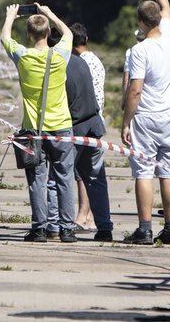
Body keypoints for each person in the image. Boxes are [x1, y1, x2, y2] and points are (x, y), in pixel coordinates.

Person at [1, 3, 77, 243]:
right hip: (62, 126)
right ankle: (66, 228)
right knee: (64, 178)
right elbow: (69, 33)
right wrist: (50, 13)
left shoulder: (23, 56)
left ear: (28, 35)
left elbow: (4, 38)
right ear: (47, 33)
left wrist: (10, 16)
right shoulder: (61, 54)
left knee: (36, 178)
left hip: (35, 129)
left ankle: (40, 228)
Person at [121, 0, 170, 245]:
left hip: (146, 116)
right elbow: (166, 6)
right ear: (158, 19)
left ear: (141, 23)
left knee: (144, 171)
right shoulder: (169, 35)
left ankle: (145, 228)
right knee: (169, 173)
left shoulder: (139, 50)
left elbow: (135, 89)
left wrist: (125, 121)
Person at [45, 34, 113, 242]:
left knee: (57, 177)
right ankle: (104, 227)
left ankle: (54, 225)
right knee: (96, 178)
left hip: (75, 127)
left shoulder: (58, 63)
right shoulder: (80, 61)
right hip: (93, 124)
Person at [70, 22, 105, 231]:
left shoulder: (78, 63)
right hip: (97, 119)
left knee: (80, 172)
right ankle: (91, 216)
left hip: (84, 120)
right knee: (92, 172)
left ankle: (83, 215)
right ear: (87, 39)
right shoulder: (96, 60)